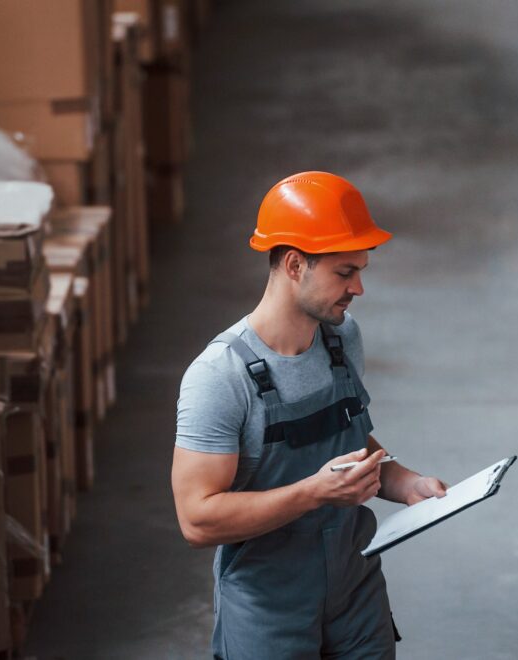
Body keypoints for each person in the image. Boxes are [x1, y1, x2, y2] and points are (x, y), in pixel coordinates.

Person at [171, 171, 449, 659]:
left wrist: (404, 482)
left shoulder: (342, 338)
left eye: (361, 270)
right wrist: (314, 493)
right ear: (295, 264)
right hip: (269, 603)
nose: (359, 288)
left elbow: (352, 445)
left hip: (354, 585)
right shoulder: (219, 375)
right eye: (345, 273)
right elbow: (197, 520)